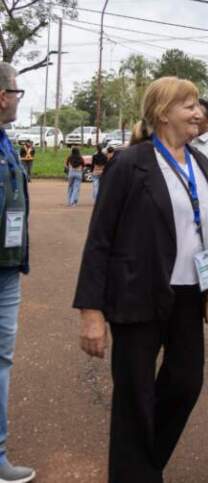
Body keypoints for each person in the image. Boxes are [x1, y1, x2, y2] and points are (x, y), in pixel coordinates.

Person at [74, 76, 208, 483]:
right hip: (137, 292)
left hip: (188, 294)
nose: (199, 114)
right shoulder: (130, 163)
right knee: (134, 395)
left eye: (198, 106)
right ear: (163, 113)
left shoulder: (199, 162)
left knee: (186, 383)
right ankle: (135, 475)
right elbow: (100, 239)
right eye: (189, 106)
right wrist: (91, 311)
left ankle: (144, 467)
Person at [0, 62, 35, 483]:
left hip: (7, 268)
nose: (17, 100)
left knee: (1, 360)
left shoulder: (6, 142)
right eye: (16, 92)